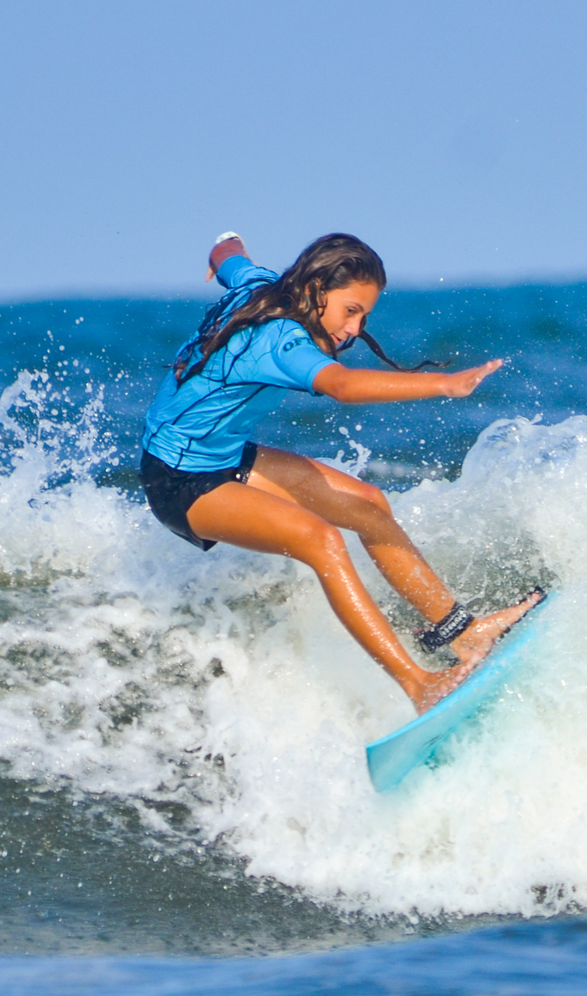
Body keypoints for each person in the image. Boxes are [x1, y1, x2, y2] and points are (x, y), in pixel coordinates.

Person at [140, 232, 540, 713]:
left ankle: (463, 633)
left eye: (363, 317)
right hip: (178, 481)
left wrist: (225, 244)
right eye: (350, 310)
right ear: (315, 288)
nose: (354, 329)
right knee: (322, 540)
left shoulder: (259, 283)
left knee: (369, 505)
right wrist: (445, 384)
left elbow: (229, 257)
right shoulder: (281, 341)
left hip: (223, 456)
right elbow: (344, 386)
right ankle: (418, 686)